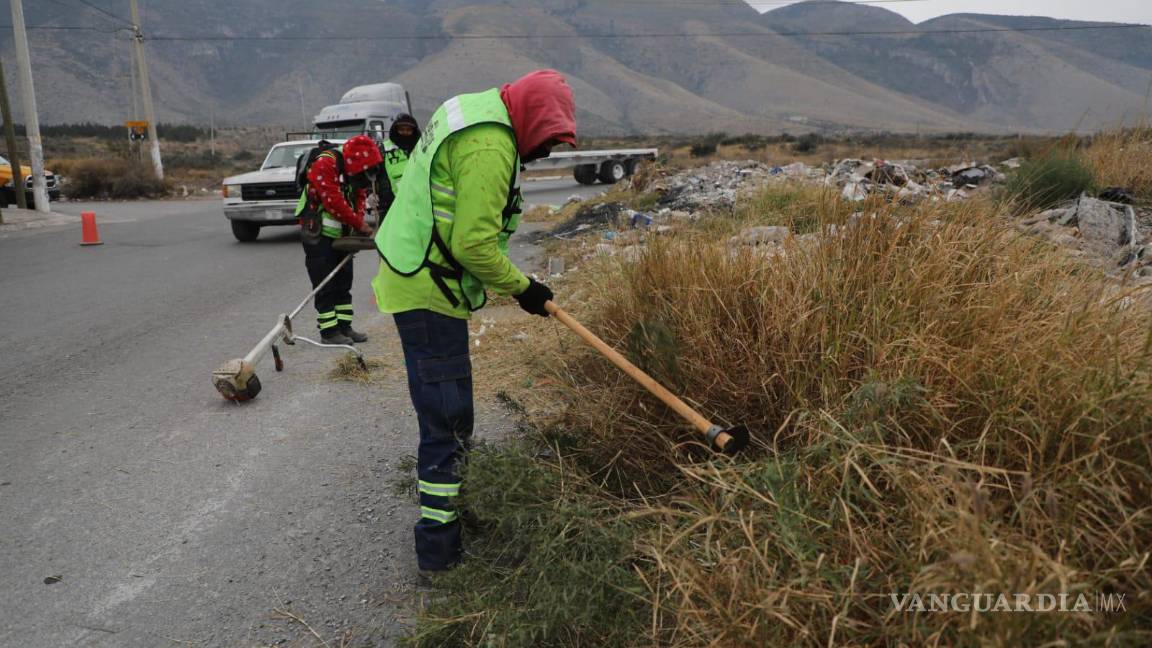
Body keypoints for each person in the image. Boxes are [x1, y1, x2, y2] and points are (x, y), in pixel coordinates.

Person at [372, 69, 577, 573]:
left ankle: (457, 515)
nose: (542, 155)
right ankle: (440, 554)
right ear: (532, 118)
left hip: (416, 277)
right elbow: (473, 245)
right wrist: (526, 289)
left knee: (451, 415)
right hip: (428, 288)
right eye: (545, 143)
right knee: (447, 420)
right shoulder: (490, 147)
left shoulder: (474, 106)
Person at [297, 134, 382, 345]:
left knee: (344, 282)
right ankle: (329, 332)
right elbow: (333, 201)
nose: (364, 178)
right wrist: (359, 224)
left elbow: (360, 196)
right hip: (317, 234)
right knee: (326, 283)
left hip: (342, 234)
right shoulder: (324, 164)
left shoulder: (355, 171)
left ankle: (345, 327)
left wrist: (359, 221)